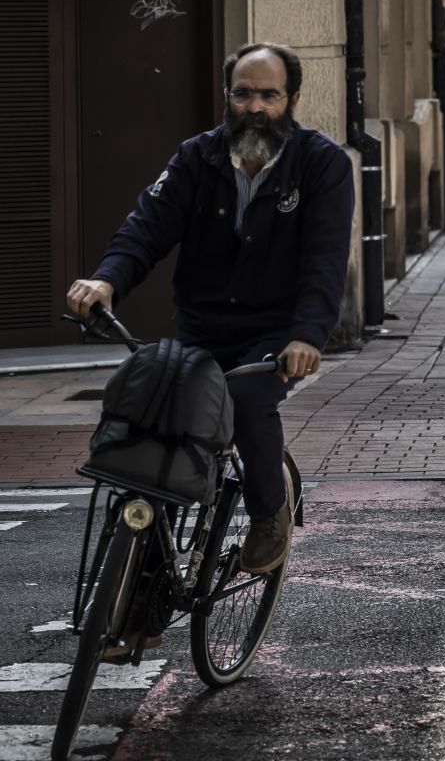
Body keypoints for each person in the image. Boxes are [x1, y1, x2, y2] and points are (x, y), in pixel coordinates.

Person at [66, 43, 356, 574]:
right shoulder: (196, 157)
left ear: (291, 98)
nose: (254, 107)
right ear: (228, 96)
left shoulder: (322, 164)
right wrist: (106, 280)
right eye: (243, 93)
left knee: (245, 400)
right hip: (200, 325)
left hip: (274, 333)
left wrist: (308, 336)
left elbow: (326, 259)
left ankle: (270, 512)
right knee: (155, 409)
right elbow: (146, 228)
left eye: (269, 95)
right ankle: (141, 592)